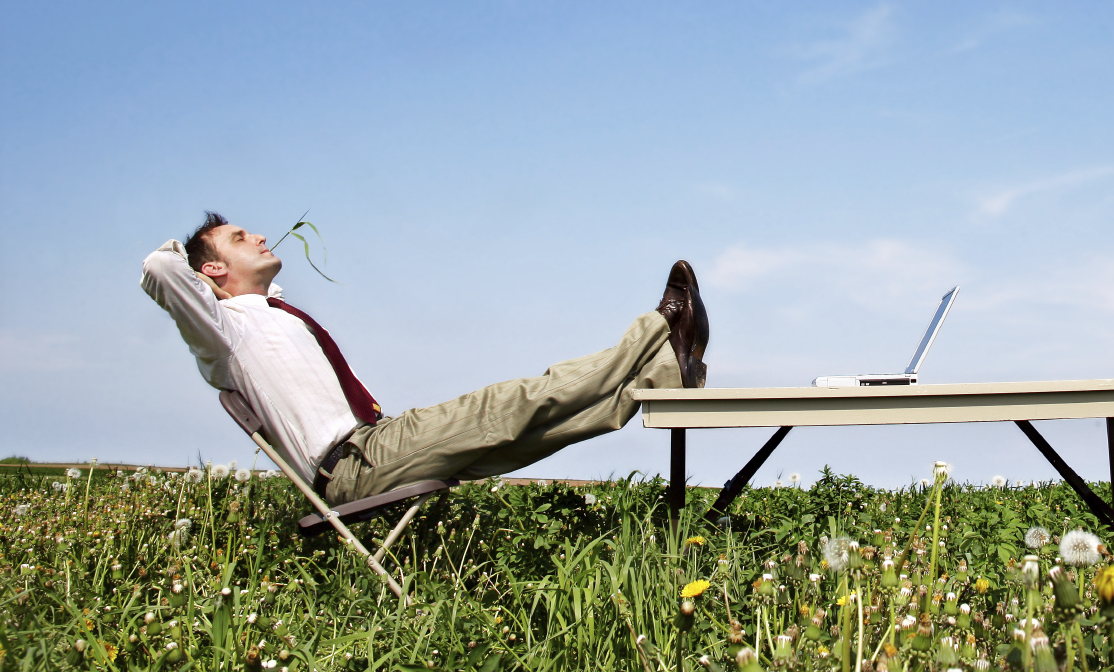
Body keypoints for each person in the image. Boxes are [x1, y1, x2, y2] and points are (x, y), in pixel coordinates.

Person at [140, 212, 707, 505]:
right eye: (241, 238)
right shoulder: (223, 330)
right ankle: (663, 323)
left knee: (541, 428)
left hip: (377, 444)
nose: (261, 235)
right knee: (513, 401)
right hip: (356, 463)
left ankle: (666, 370)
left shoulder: (270, 313)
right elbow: (161, 270)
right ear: (211, 271)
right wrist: (196, 273)